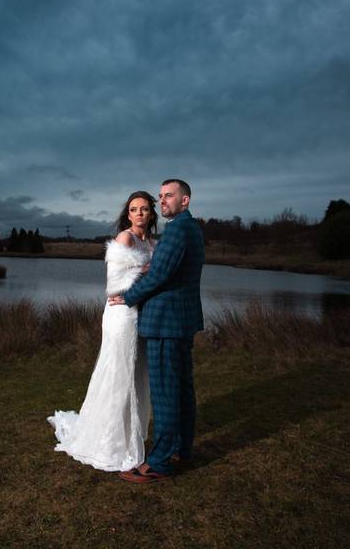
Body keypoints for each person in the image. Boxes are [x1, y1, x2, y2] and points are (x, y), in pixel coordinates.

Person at [47, 191, 157, 471]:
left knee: (136, 374)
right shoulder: (125, 238)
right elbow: (116, 283)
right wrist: (147, 271)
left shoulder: (153, 243)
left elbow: (152, 277)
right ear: (128, 214)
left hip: (141, 312)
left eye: (144, 209)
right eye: (134, 209)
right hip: (121, 314)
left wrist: (151, 273)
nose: (140, 214)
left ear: (151, 213)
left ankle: (134, 435)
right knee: (119, 374)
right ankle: (112, 443)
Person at [108, 178, 205, 484]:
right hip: (181, 320)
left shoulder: (178, 229)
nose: (162, 201)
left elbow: (159, 275)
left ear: (185, 200)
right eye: (160, 196)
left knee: (165, 394)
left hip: (166, 321)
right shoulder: (190, 228)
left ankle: (159, 462)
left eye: (169, 196)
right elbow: (162, 270)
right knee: (182, 389)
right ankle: (182, 449)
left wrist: (129, 296)